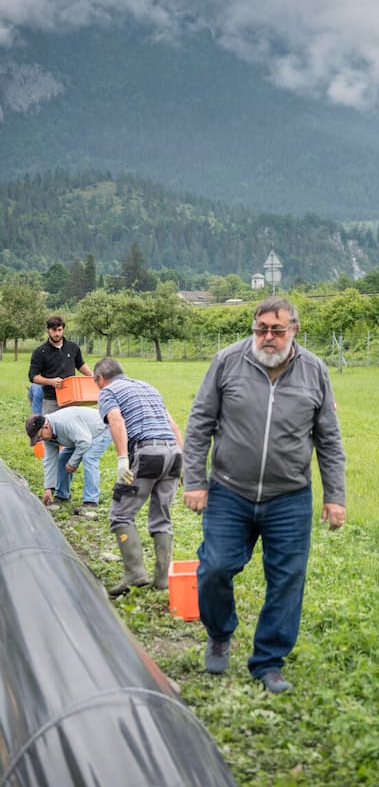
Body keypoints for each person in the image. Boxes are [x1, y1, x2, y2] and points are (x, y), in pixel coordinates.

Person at [183, 296, 346, 694]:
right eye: (261, 329)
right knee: (216, 567)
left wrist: (334, 495)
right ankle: (220, 633)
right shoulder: (228, 361)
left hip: (289, 496)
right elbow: (200, 422)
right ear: (253, 327)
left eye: (277, 329)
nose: (268, 337)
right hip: (229, 491)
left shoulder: (314, 371)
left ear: (294, 330)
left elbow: (328, 437)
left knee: (288, 579)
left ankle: (268, 661)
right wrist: (194, 481)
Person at [93, 357, 184, 598]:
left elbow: (116, 420)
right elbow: (173, 426)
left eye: (97, 384)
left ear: (100, 379)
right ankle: (162, 580)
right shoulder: (148, 387)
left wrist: (123, 458)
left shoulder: (108, 391)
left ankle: (135, 573)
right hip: (173, 454)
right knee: (162, 517)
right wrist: (186, 462)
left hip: (148, 455)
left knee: (121, 513)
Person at [26, 406, 113, 517]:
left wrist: (72, 463)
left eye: (39, 437)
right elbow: (49, 460)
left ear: (46, 427)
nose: (40, 440)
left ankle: (91, 501)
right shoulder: (47, 435)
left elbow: (85, 442)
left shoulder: (64, 423)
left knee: (89, 458)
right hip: (80, 435)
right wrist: (48, 488)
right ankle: (62, 496)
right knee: (62, 459)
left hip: (101, 429)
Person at [28, 316, 94, 415]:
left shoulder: (73, 347)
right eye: (54, 330)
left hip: (72, 398)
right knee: (49, 429)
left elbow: (80, 364)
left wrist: (93, 376)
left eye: (59, 330)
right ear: (48, 330)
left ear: (63, 329)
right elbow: (33, 377)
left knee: (71, 428)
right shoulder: (40, 352)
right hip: (51, 399)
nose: (57, 334)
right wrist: (51, 382)